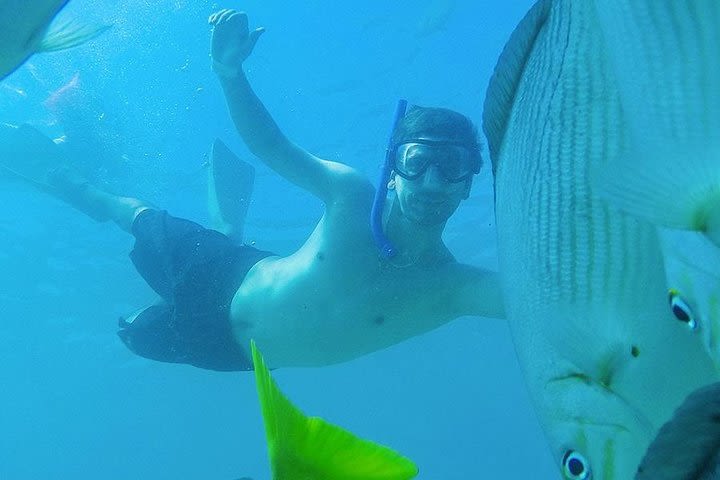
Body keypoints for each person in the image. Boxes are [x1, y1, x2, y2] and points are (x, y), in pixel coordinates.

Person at [3, 9, 505, 372]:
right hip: (217, 270)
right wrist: (229, 73)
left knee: (131, 332)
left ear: (468, 184)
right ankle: (89, 192)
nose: (434, 182)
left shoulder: (454, 287)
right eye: (418, 162)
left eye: (453, 166)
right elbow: (271, 147)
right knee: (133, 217)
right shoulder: (350, 196)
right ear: (393, 170)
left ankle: (225, 225)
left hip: (231, 355)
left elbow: (541, 306)